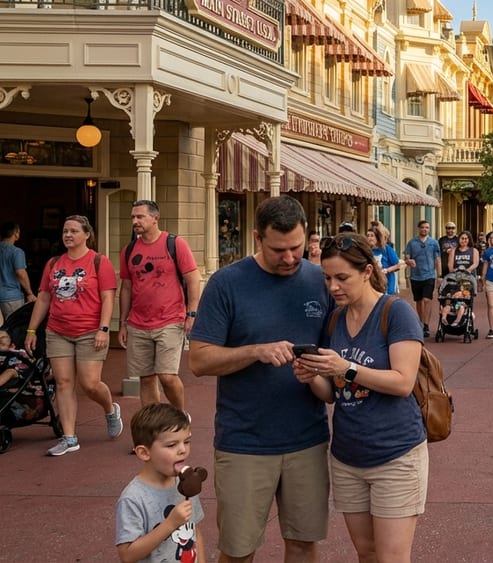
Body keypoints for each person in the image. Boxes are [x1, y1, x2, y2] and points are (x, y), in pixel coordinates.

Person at [188, 196, 331, 562]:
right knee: (238, 550)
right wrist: (254, 351)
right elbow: (199, 360)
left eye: (296, 248)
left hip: (307, 439)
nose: (288, 258)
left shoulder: (320, 280)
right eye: (278, 249)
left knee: (303, 543)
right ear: (256, 238)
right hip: (244, 442)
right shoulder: (226, 283)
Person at [294, 233, 427, 563]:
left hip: (395, 453)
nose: (333, 287)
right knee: (366, 554)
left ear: (367, 271)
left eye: (342, 278)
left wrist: (346, 367)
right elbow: (333, 394)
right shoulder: (336, 318)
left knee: (392, 557)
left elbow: (403, 382)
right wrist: (312, 377)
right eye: (327, 278)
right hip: (348, 457)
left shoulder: (396, 313)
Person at [24, 214, 121, 456]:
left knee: (89, 384)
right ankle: (69, 437)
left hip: (90, 331)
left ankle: (110, 409)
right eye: (65, 231)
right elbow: (44, 297)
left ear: (87, 234)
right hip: (58, 331)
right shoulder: (53, 263)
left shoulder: (99, 262)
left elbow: (108, 298)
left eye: (74, 231)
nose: (68, 235)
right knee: (64, 383)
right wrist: (32, 329)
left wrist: (104, 328)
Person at [117, 200, 201, 412]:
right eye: (133, 217)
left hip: (170, 319)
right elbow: (126, 288)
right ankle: (153, 427)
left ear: (155, 218)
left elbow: (193, 279)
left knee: (167, 376)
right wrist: (123, 323)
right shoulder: (128, 250)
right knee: (146, 379)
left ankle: (179, 416)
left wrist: (192, 313)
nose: (135, 221)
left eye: (140, 217)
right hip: (138, 323)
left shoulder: (174, 243)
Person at [115, 403, 206, 562]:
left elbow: (195, 531)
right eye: (172, 445)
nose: (183, 450)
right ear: (144, 453)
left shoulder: (186, 485)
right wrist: (170, 524)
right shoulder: (133, 498)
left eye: (186, 441)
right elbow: (127, 555)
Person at [404, 220, 442, 338]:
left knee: (427, 300)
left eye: (427, 228)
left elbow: (437, 259)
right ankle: (420, 323)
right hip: (415, 276)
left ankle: (426, 324)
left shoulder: (434, 243)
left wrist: (439, 275)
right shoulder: (412, 243)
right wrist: (409, 261)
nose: (425, 229)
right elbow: (407, 256)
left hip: (429, 275)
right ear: (419, 229)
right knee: (419, 301)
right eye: (423, 227)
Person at [0, 221, 36, 321]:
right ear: (16, 233)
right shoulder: (16, 252)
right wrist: (29, 293)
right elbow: (20, 273)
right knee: (13, 328)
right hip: (11, 298)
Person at [368, 226, 402, 296]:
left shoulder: (386, 249)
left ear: (377, 237)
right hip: (373, 282)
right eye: (368, 235)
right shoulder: (367, 250)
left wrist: (386, 270)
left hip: (387, 282)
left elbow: (397, 265)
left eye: (372, 236)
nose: (369, 238)